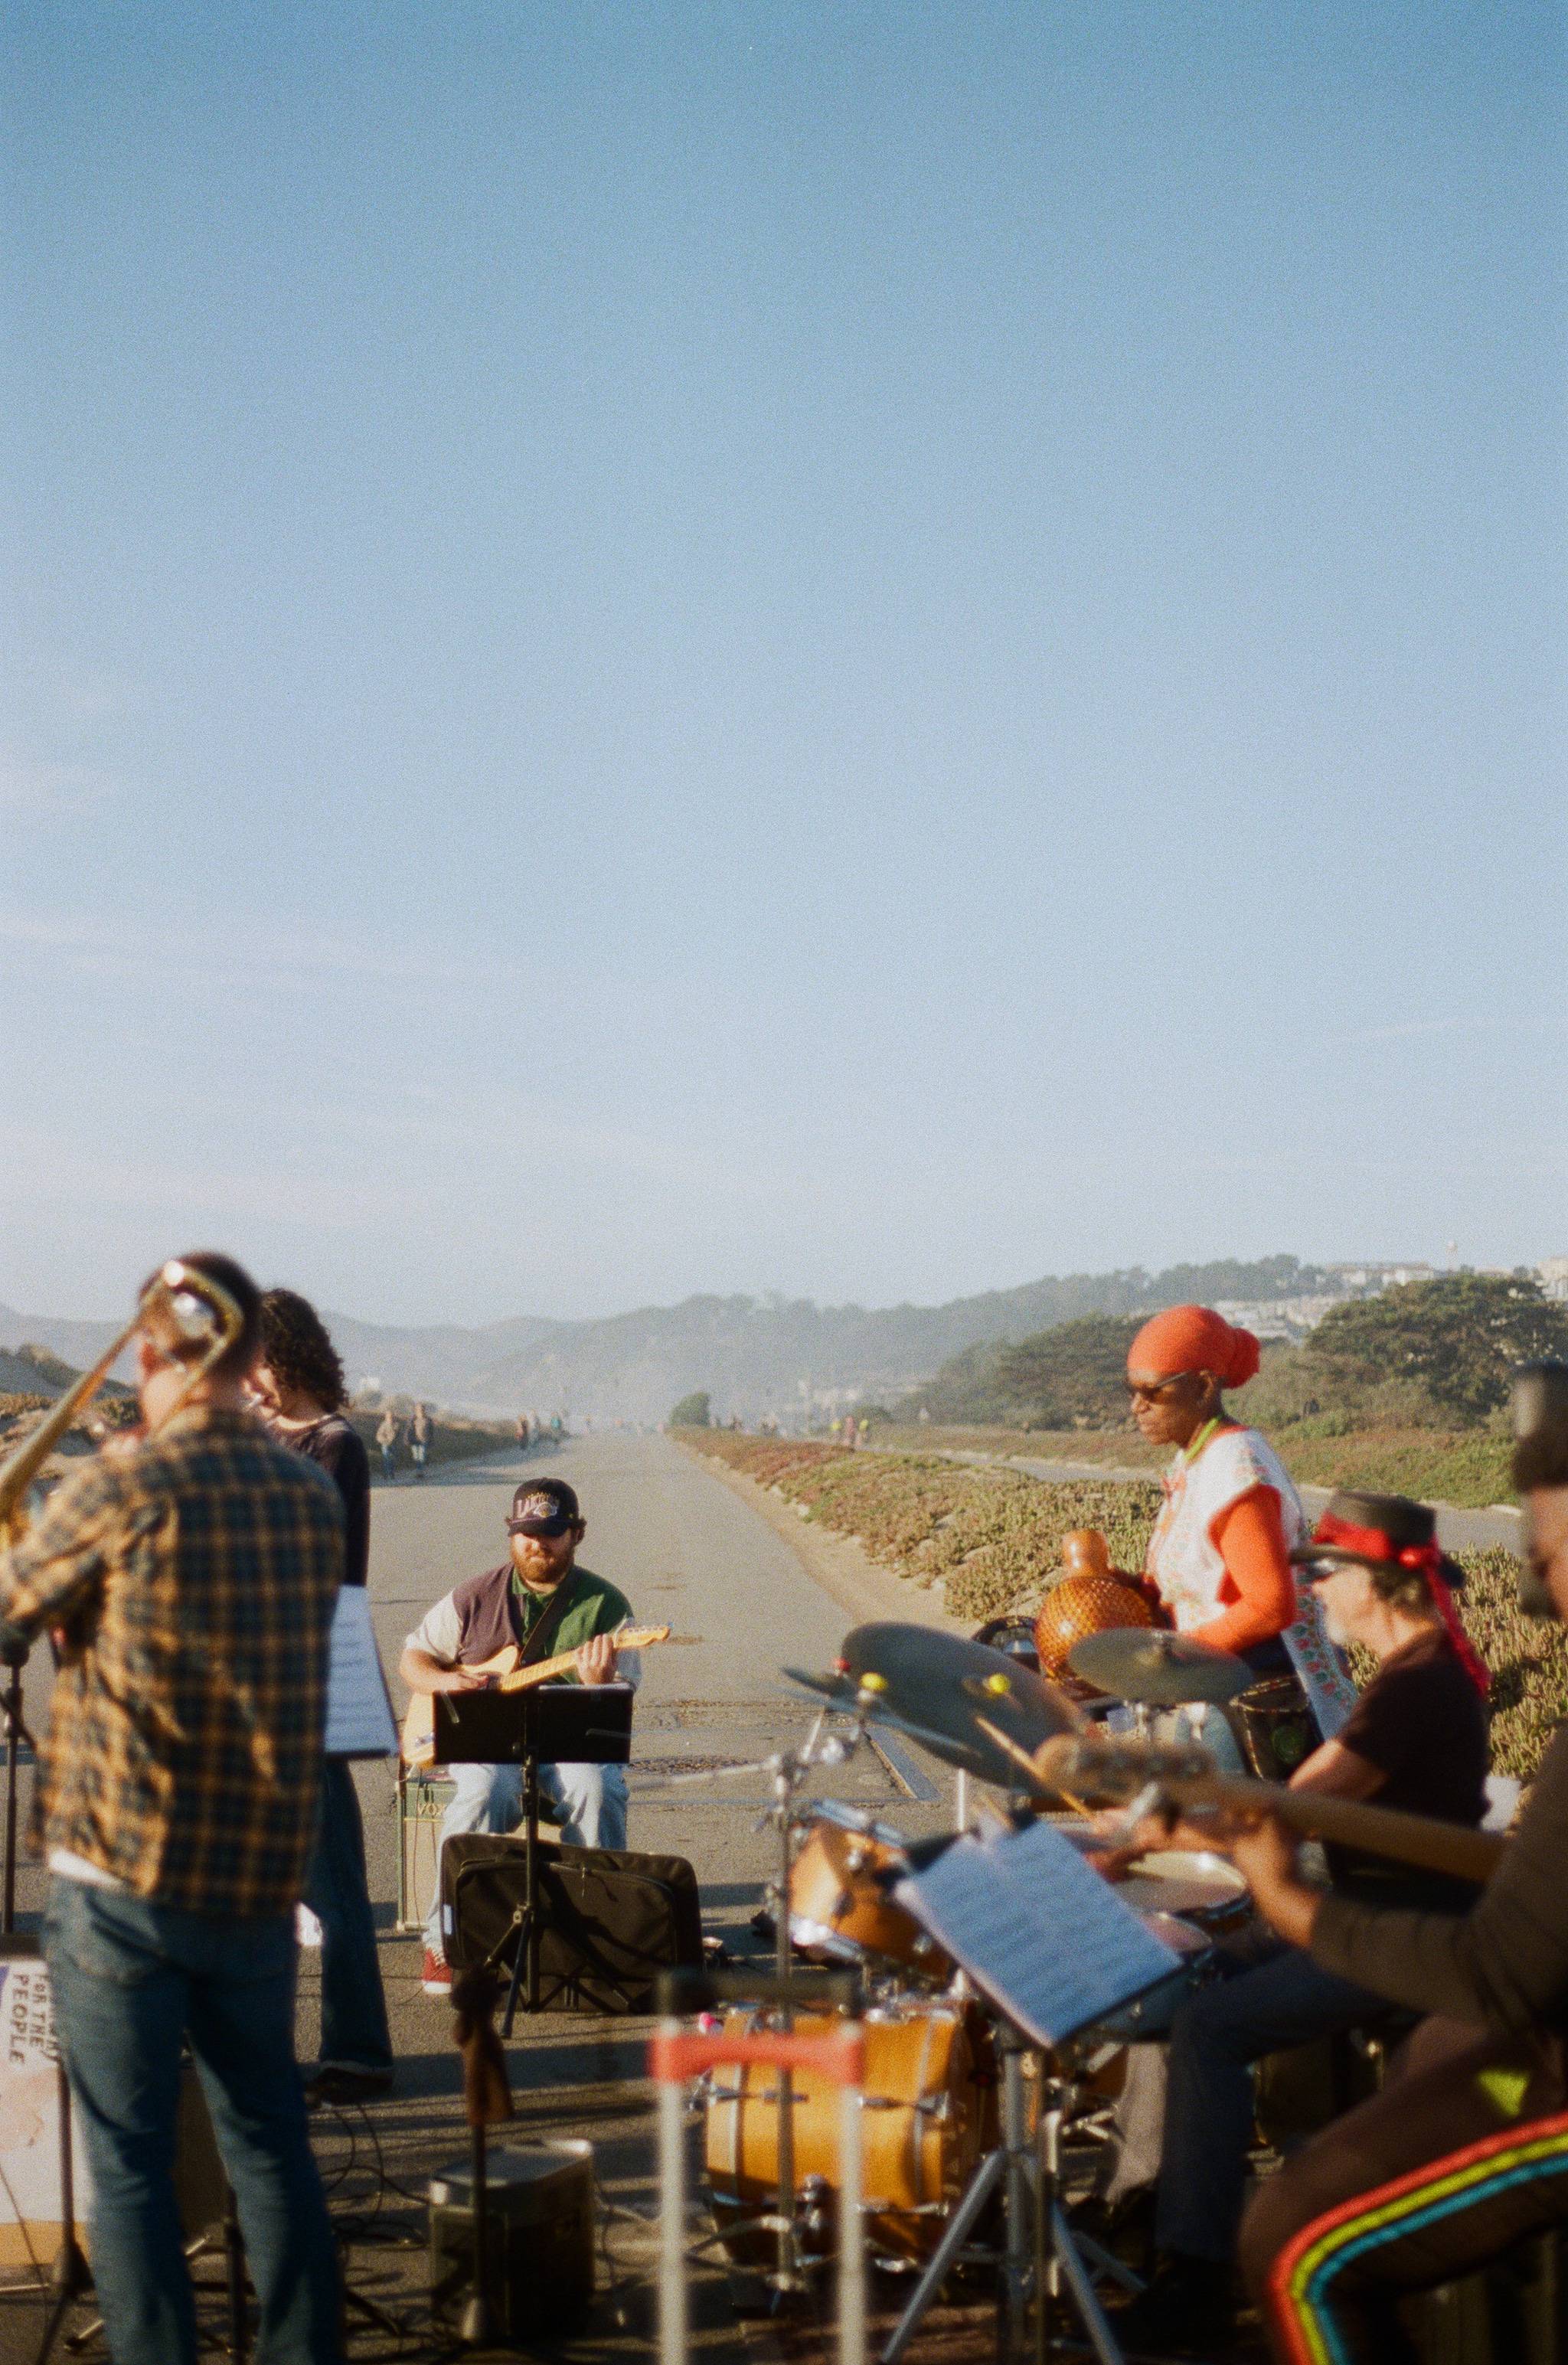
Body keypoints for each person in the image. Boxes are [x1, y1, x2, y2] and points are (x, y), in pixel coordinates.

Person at [0, 1253, 342, 2365]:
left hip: (122, 1884)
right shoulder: (311, 1495)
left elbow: (14, 1621)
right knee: (269, 2142)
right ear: (251, 1364)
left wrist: (24, 1519)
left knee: (131, 2160)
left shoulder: (113, 1492)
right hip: (254, 1884)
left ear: (150, 1356)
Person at [1229, 1361, 1568, 2364]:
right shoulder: (1430, 1676)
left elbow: (1496, 1972)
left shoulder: (1417, 1684)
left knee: (1292, 2241)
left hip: (1550, 2090)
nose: (1541, 1581)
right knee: (1435, 2056)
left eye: (1553, 1551)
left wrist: (1289, 1903)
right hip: (1534, 2042)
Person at [1114, 1491, 1492, 2352]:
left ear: (1377, 1584)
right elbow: (1288, 1802)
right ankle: (1158, 2200)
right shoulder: (1408, 1673)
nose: (1315, 1591)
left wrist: (1148, 1834)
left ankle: (1196, 2276)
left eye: (1326, 1572)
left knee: (1209, 2023)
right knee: (1191, 1969)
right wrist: (1162, 1826)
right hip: (1370, 1910)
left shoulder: (1416, 1686)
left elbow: (1293, 1809)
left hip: (1404, 1932)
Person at [399, 1476, 639, 1996]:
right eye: (527, 1532)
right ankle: (446, 1937)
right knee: (484, 1793)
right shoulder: (473, 1595)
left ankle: (593, 1930)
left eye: (552, 1532)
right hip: (488, 1742)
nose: (538, 1544)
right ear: (512, 1533)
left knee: (597, 1791)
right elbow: (413, 1658)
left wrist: (601, 1681)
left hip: (571, 1745)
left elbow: (622, 1696)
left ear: (577, 1533)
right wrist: (447, 1680)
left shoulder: (607, 1606)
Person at [251, 1289, 394, 2105]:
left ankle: (359, 2049)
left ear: (287, 1358)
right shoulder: (261, 1436)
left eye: (257, 1364)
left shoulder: (333, 1445)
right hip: (250, 1680)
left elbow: (303, 1552)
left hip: (309, 1677)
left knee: (330, 1880)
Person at [1125, 1304, 1354, 1765]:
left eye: (1152, 1391)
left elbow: (1270, 1606)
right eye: (1132, 1390)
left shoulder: (1236, 1466)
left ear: (1205, 1386)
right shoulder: (1197, 1458)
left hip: (1253, 1694)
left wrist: (1176, 1653)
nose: (1137, 1406)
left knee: (1230, 1833)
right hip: (1213, 1687)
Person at [375, 1404, 398, 1479]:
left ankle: (391, 1473)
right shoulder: (383, 1425)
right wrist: (385, 1440)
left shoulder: (396, 1424)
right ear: (386, 1417)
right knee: (386, 1458)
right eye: (388, 1416)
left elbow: (396, 1434)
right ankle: (386, 1474)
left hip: (394, 1444)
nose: (390, 1417)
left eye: (391, 1416)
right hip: (385, 1444)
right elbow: (379, 1434)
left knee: (392, 1459)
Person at [409, 1401, 430, 1480]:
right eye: (419, 1408)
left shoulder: (427, 1420)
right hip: (414, 1440)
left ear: (424, 1410)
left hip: (424, 1440)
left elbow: (431, 1431)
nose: (420, 1410)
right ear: (416, 1409)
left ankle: (420, 1471)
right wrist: (408, 1438)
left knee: (422, 1456)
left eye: (422, 1408)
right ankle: (418, 1470)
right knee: (416, 1457)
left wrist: (430, 1439)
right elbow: (409, 1429)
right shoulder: (413, 1419)